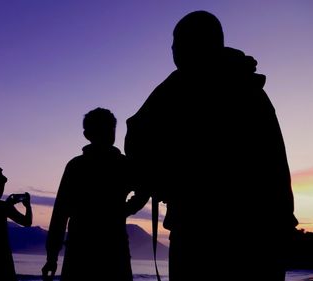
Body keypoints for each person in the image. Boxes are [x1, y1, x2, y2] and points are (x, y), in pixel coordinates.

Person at [124, 11, 298, 281]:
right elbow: (276, 163)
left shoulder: (177, 88)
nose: (172, 50)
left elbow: (137, 138)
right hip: (255, 231)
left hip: (201, 229)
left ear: (189, 43)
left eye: (176, 43)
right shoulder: (250, 90)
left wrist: (157, 180)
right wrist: (284, 222)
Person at [42, 107, 148, 281]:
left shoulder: (77, 166)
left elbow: (60, 213)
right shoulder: (122, 165)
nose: (108, 134)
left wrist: (52, 257)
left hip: (83, 246)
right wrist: (124, 210)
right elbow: (144, 191)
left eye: (110, 129)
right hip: (111, 245)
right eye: (106, 129)